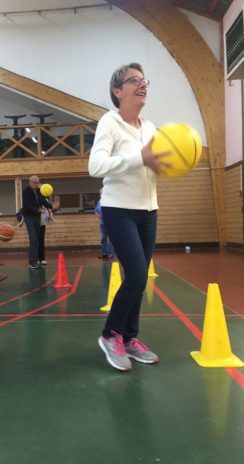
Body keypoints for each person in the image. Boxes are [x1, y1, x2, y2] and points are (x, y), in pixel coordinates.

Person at [89, 63, 170, 371]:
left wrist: (163, 164)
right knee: (136, 275)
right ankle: (110, 335)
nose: (142, 84)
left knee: (136, 279)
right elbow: (95, 166)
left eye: (144, 80)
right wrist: (140, 158)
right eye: (133, 80)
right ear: (117, 90)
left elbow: (151, 164)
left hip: (148, 210)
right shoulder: (109, 123)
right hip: (118, 209)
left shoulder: (150, 128)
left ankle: (129, 338)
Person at [22, 175, 54, 269]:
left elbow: (44, 201)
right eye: (35, 183)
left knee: (36, 240)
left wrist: (50, 207)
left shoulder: (40, 191)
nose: (37, 184)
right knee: (33, 239)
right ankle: (32, 262)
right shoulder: (26, 191)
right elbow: (27, 205)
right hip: (29, 217)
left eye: (38, 183)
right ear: (30, 182)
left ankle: (36, 260)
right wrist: (38, 210)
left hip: (37, 218)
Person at [94, 189, 113, 259]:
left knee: (111, 238)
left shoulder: (110, 201)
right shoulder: (99, 202)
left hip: (110, 223)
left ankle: (109, 253)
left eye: (101, 194)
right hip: (102, 224)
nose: (100, 195)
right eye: (99, 194)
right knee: (103, 238)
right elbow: (95, 211)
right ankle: (105, 253)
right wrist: (98, 216)